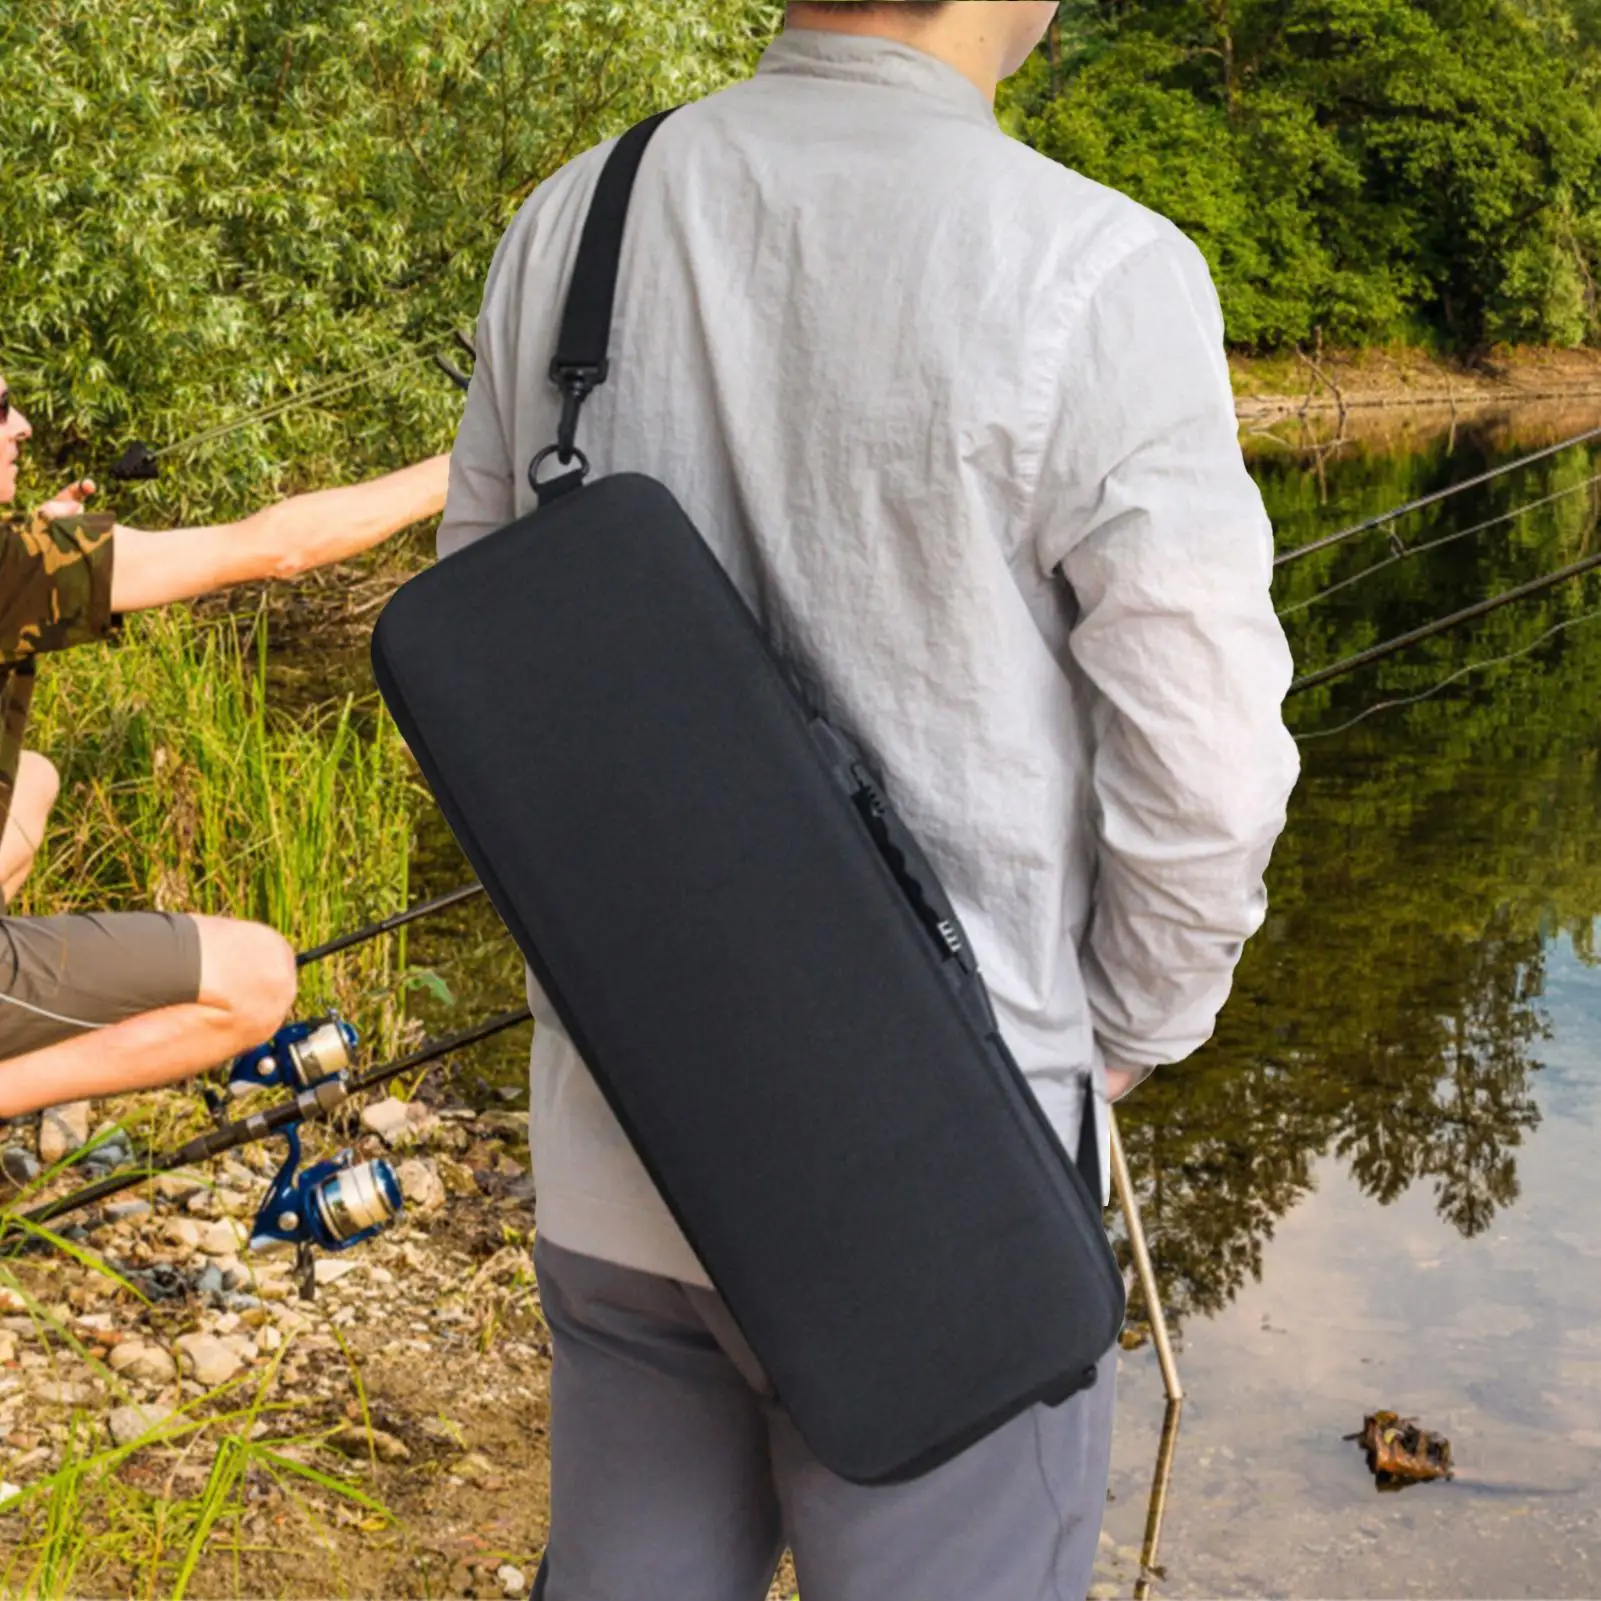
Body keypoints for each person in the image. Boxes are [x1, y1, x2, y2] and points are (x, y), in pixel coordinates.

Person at [440, 3, 1300, 1597]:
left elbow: (493, 681)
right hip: (942, 1211)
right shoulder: (1095, 268)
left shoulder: (574, 219)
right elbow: (1209, 771)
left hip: (626, 1151)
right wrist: (1115, 1037)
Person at [0, 372, 449, 1118]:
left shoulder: (20, 563)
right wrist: (473, 462)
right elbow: (280, 549)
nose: (22, 428)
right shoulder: (19, 563)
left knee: (36, 777)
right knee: (259, 977)